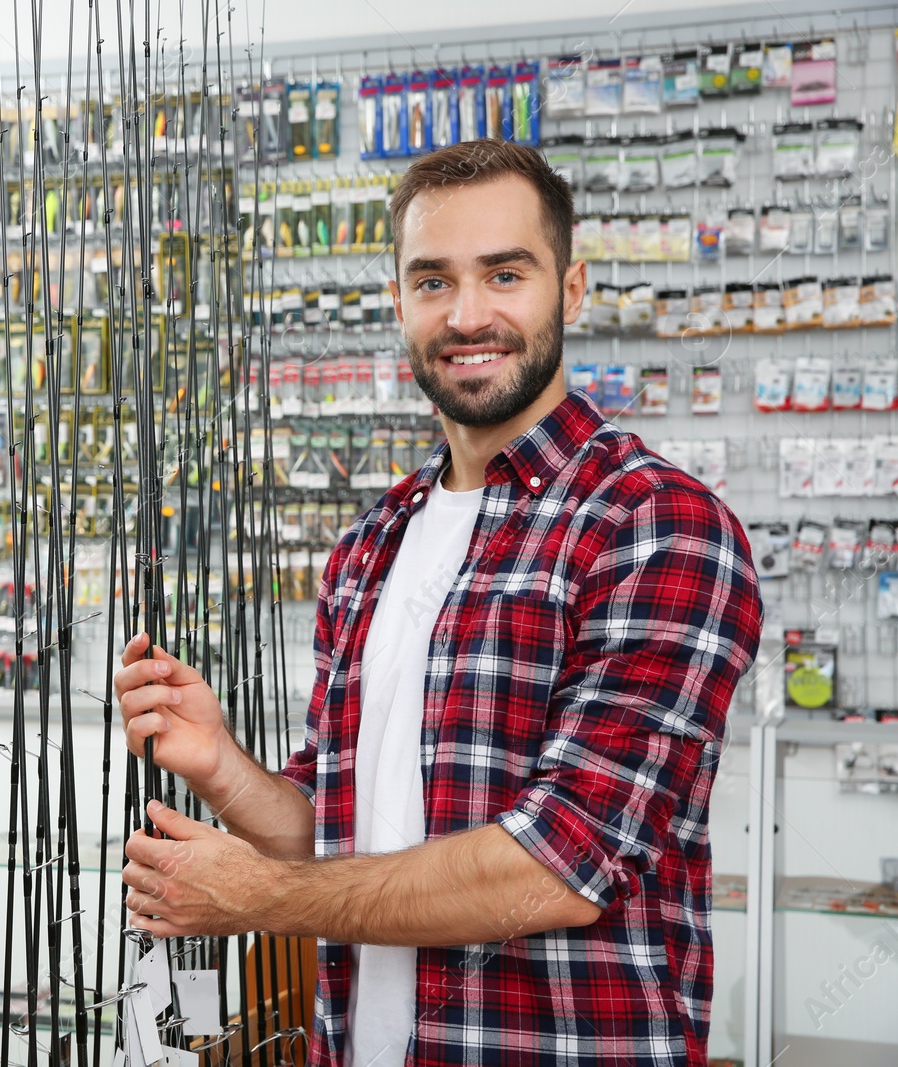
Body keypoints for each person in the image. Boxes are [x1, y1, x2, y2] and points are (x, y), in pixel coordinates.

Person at [114, 139, 763, 1067]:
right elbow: (340, 831)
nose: (467, 314)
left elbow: (560, 867)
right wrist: (220, 765)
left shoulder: (657, 526)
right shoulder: (370, 545)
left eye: (505, 273)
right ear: (398, 302)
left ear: (570, 291)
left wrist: (259, 898)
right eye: (432, 280)